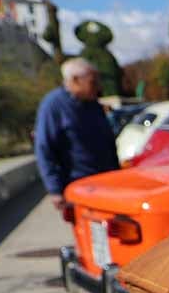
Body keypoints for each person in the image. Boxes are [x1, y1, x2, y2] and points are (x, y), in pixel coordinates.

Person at [33, 57, 118, 214]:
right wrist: (55, 190)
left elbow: (108, 143)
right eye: (93, 82)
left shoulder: (93, 105)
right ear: (75, 80)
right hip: (80, 187)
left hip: (107, 183)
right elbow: (44, 148)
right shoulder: (53, 105)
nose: (98, 87)